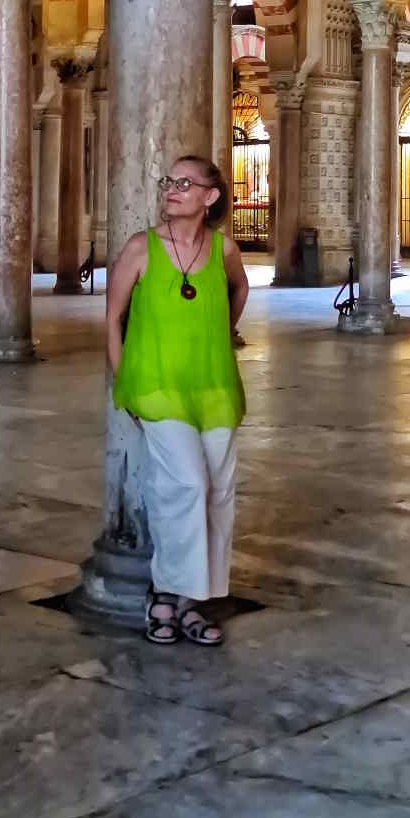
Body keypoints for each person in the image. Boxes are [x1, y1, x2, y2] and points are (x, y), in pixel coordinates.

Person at [107, 154, 249, 648]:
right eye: (169, 181)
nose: (172, 189)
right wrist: (123, 378)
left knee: (218, 492)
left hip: (213, 385)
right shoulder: (140, 249)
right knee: (185, 485)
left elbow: (239, 286)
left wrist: (222, 332)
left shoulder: (224, 249)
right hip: (157, 383)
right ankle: (166, 593)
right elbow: (113, 318)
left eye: (185, 183)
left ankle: (192, 601)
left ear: (210, 197)